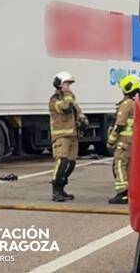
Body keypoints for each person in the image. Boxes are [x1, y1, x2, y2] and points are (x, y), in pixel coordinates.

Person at [107, 75, 140, 204]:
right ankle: (131, 192)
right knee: (131, 167)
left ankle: (122, 193)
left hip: (124, 141)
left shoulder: (127, 104)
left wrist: (111, 141)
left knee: (119, 165)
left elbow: (120, 124)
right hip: (136, 141)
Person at [49, 71, 89, 202]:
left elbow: (76, 110)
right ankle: (55, 190)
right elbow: (66, 108)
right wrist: (67, 95)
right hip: (61, 136)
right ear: (60, 84)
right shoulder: (55, 99)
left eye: (69, 84)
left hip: (73, 135)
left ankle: (62, 188)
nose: (69, 87)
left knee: (71, 163)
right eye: (66, 83)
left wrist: (83, 119)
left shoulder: (70, 97)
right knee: (62, 161)